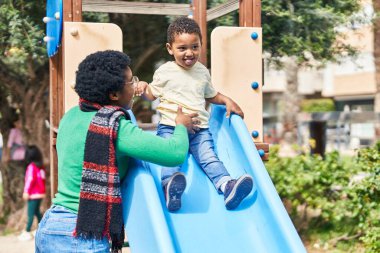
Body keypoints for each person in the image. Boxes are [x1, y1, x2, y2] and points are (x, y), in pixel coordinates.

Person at [35, 50, 197, 253]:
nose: (135, 85)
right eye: (131, 81)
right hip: (83, 233)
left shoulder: (70, 116)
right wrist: (181, 126)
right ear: (113, 94)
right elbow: (174, 153)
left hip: (50, 225)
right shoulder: (114, 127)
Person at [136, 17, 253, 212]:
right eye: (182, 48)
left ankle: (227, 187)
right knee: (172, 157)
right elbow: (151, 94)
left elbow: (211, 94)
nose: (189, 53)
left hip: (200, 129)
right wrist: (143, 87)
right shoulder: (165, 71)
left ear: (200, 46)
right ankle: (169, 187)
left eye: (195, 47)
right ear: (169, 48)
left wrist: (226, 100)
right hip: (172, 127)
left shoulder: (202, 71)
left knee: (209, 158)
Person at [18, 145, 46, 241]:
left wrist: (26, 191)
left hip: (33, 194)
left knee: (30, 213)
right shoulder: (40, 167)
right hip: (40, 193)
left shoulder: (31, 167)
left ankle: (27, 231)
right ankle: (41, 228)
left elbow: (30, 180)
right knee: (37, 212)